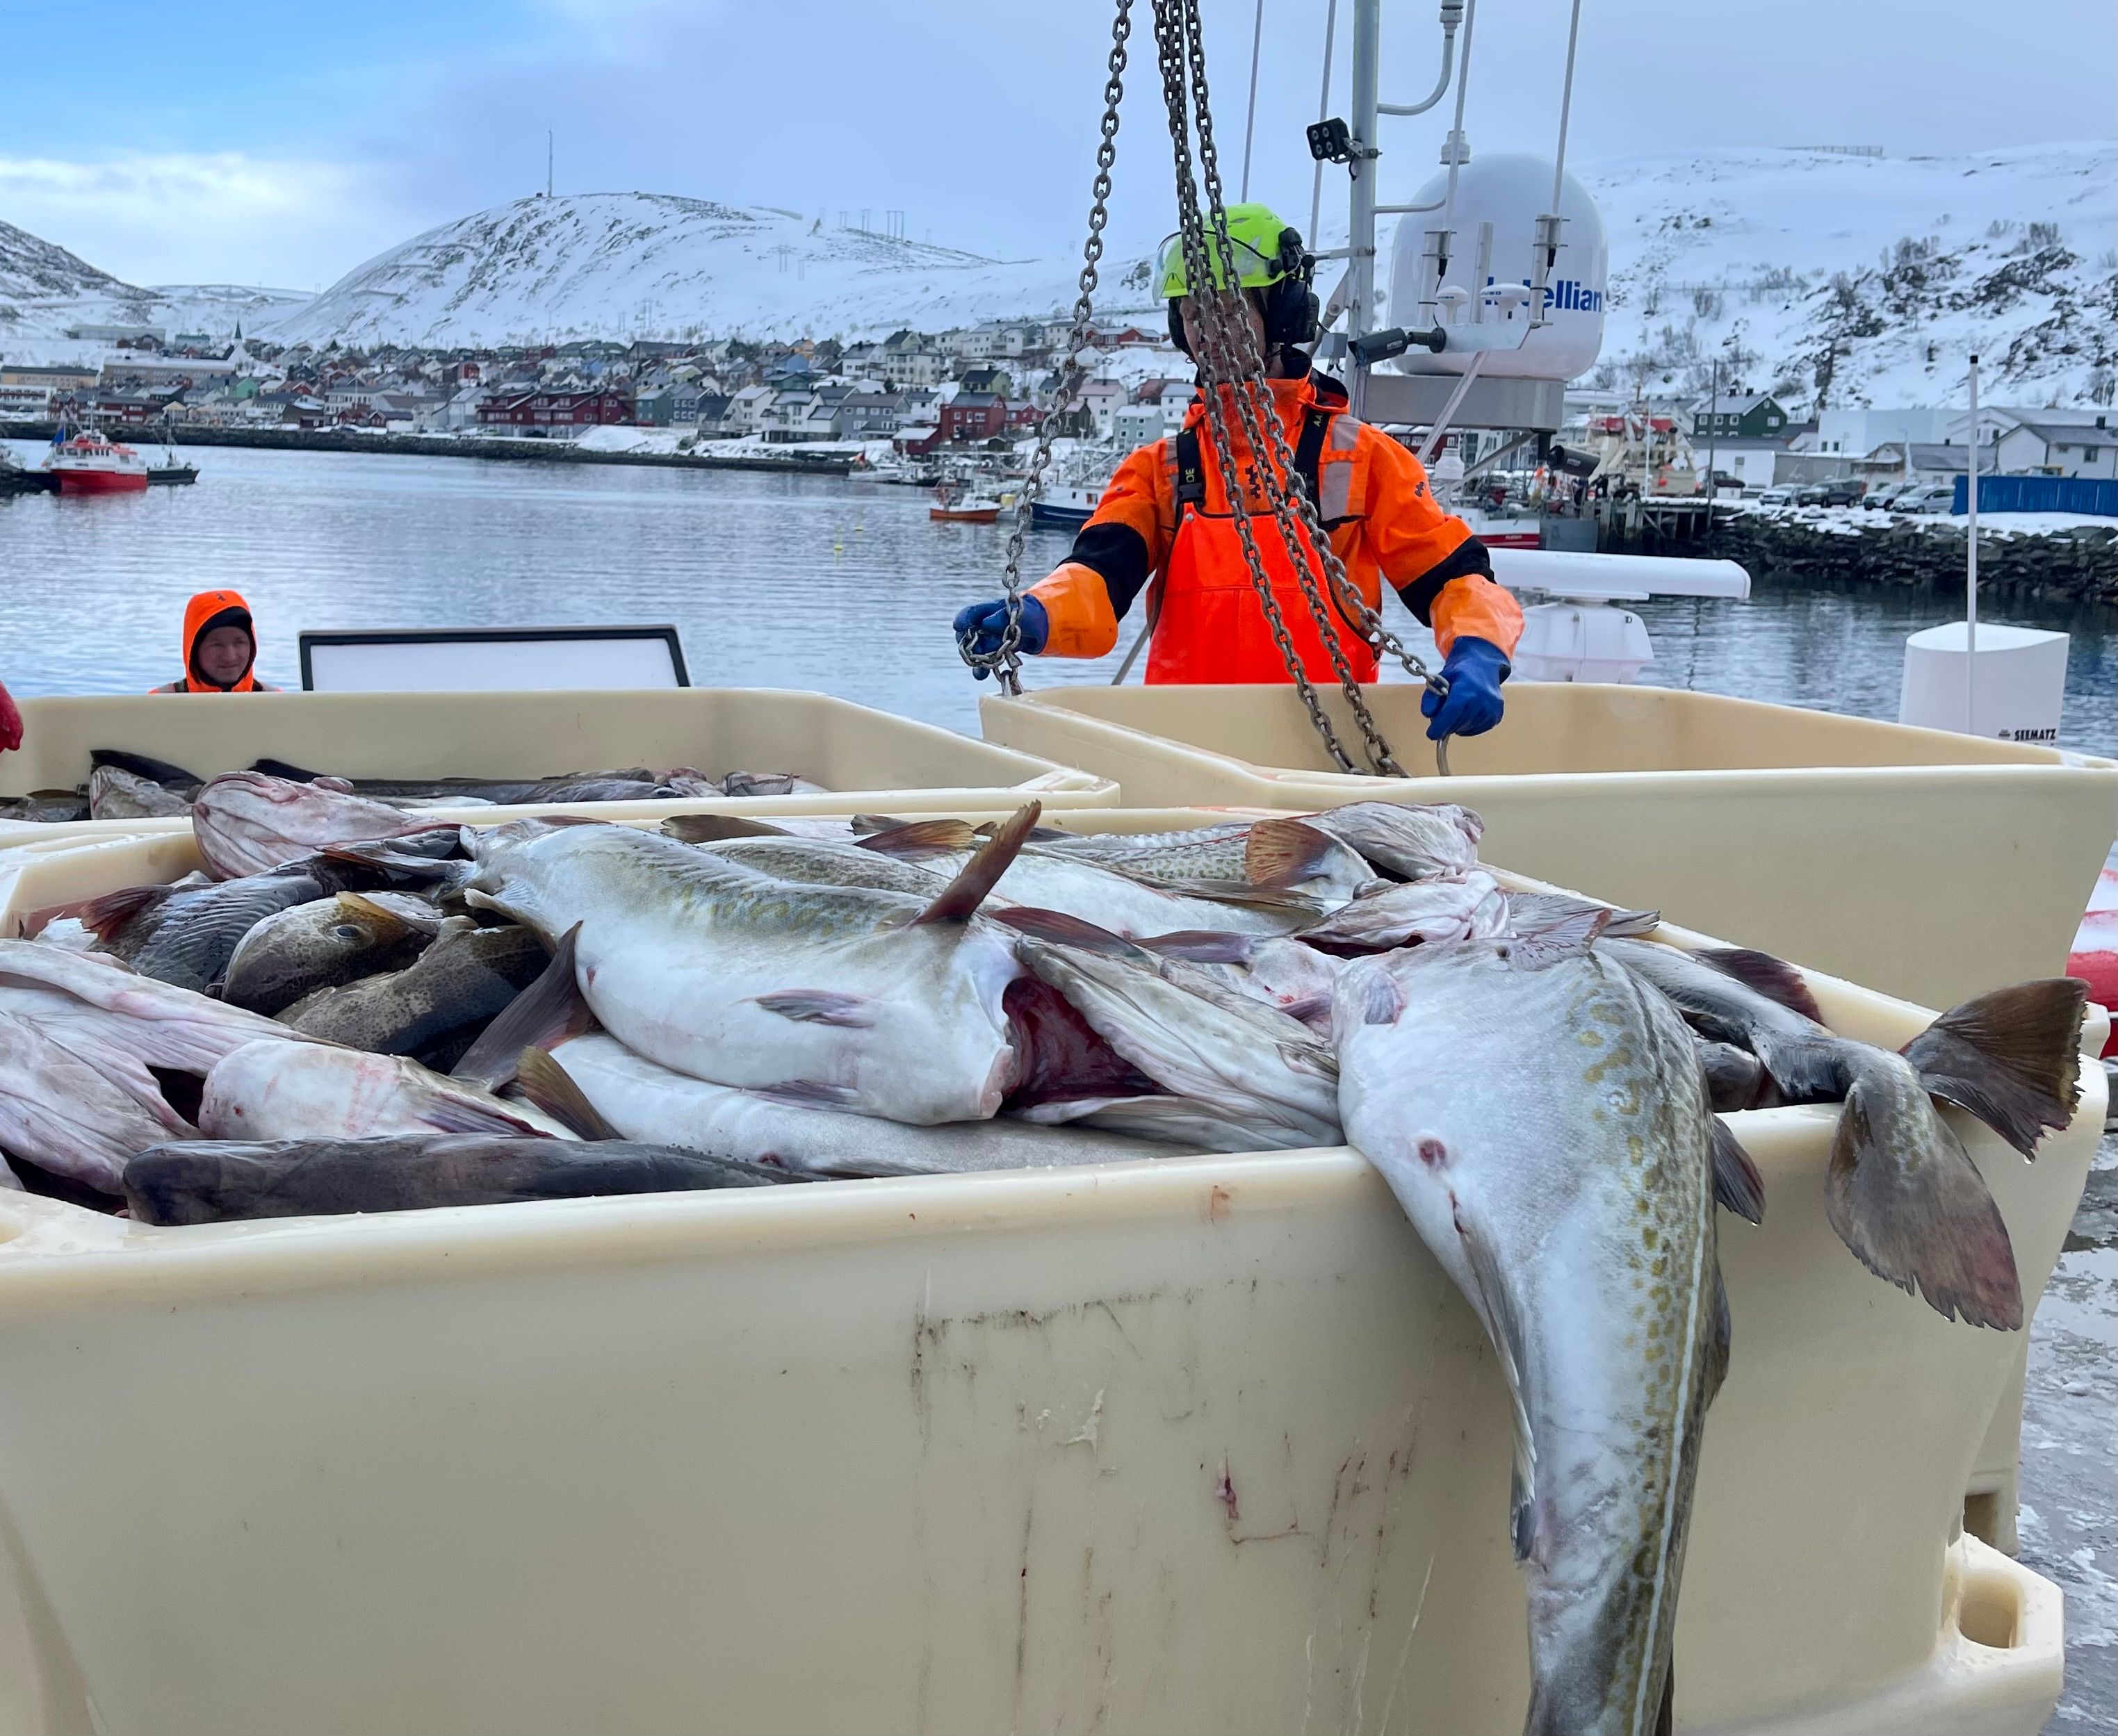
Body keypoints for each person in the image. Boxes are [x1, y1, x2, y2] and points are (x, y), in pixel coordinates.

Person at [954, 203, 1522, 743]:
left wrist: (1478, 650)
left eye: (1228, 310)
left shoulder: (1363, 459)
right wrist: (1035, 613)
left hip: (1320, 751)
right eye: (1193, 314)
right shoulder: (1159, 470)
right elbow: (1098, 578)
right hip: (1182, 750)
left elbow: (1452, 578)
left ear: (1281, 315)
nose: (1209, 330)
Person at [150, 589, 281, 694]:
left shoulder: (277, 702)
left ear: (252, 646)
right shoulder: (156, 705)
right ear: (193, 651)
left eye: (239, 643)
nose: (230, 656)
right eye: (216, 645)